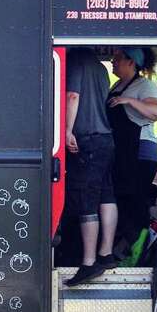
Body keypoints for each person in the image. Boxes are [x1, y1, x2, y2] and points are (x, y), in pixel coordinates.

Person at [64, 47, 118, 286]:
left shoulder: (76, 60)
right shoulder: (101, 67)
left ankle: (88, 263)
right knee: (106, 195)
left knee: (86, 199)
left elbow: (73, 96)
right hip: (106, 140)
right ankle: (105, 254)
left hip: (87, 140)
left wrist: (66, 130)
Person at [107, 47, 157, 257]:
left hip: (140, 153)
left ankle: (140, 248)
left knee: (133, 202)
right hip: (123, 154)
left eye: (118, 57)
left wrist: (129, 101)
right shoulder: (117, 86)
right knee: (121, 201)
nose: (113, 60)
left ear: (132, 62)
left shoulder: (144, 86)